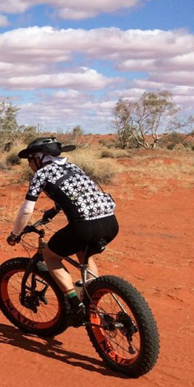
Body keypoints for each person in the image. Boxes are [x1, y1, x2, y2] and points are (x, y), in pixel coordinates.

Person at [7, 137, 118, 326]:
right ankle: (92, 299)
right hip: (110, 223)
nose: (29, 164)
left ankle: (75, 305)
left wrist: (15, 234)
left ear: (38, 157)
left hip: (84, 226)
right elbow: (76, 193)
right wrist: (53, 211)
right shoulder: (73, 168)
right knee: (84, 253)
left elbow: (26, 210)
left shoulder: (41, 174)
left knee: (51, 256)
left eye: (29, 160)